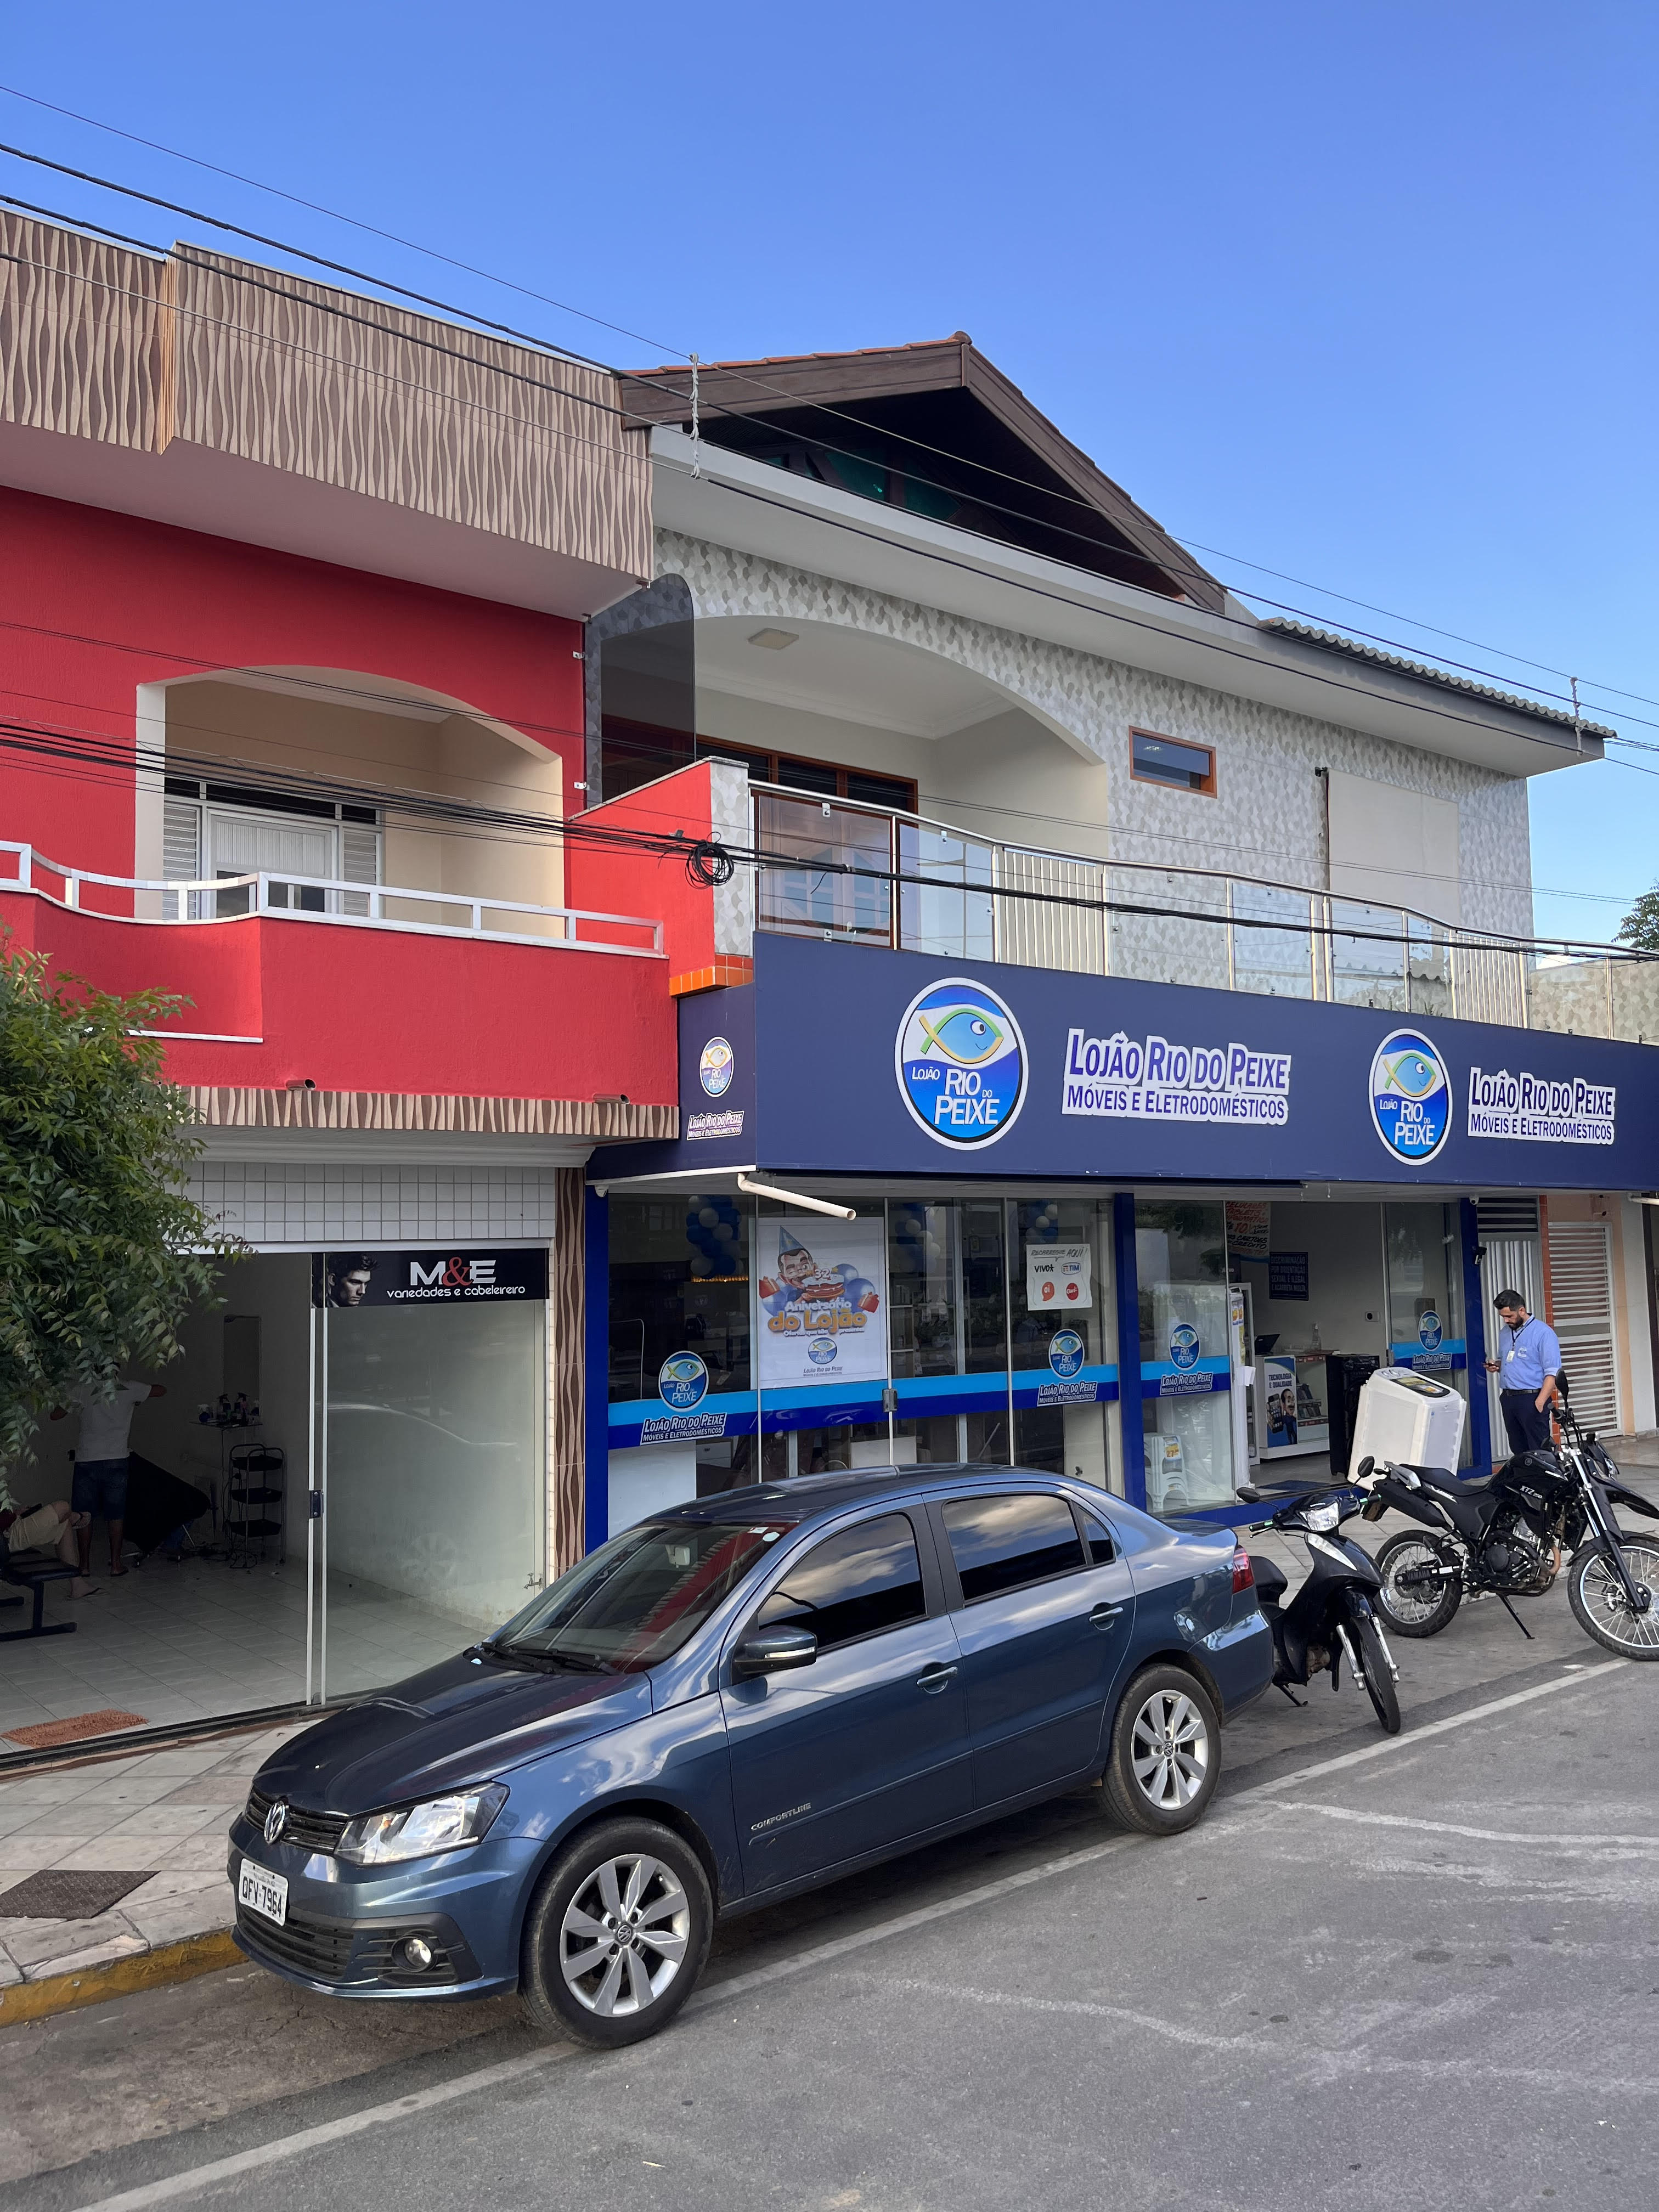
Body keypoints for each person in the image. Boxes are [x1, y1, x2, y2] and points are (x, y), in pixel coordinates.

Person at [49, 1378, 165, 1579]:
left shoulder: (82, 1389)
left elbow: (55, 1415)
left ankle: (84, 1566)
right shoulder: (130, 1388)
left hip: (87, 1460)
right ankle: (116, 1564)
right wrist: (135, 1400)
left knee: (84, 1515)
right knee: (116, 1514)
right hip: (117, 1460)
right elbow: (161, 1389)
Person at [1485, 1290, 1562, 1457]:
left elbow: (1552, 1373)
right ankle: (1526, 1482)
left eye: (1509, 1316)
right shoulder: (1505, 1333)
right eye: (1503, 1317)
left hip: (1532, 1398)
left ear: (1522, 1311)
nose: (1506, 1321)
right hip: (1509, 1398)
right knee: (1518, 1449)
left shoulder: (1543, 1333)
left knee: (1540, 1451)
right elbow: (1507, 1359)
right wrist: (1497, 1365)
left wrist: (1540, 1403)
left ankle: (1544, 1482)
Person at [0, 1474, 98, 1599]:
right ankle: (74, 1517)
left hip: (8, 1530)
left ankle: (78, 1585)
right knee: (63, 1507)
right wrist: (13, 1516)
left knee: (63, 1524)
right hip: (7, 1538)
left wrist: (14, 1513)